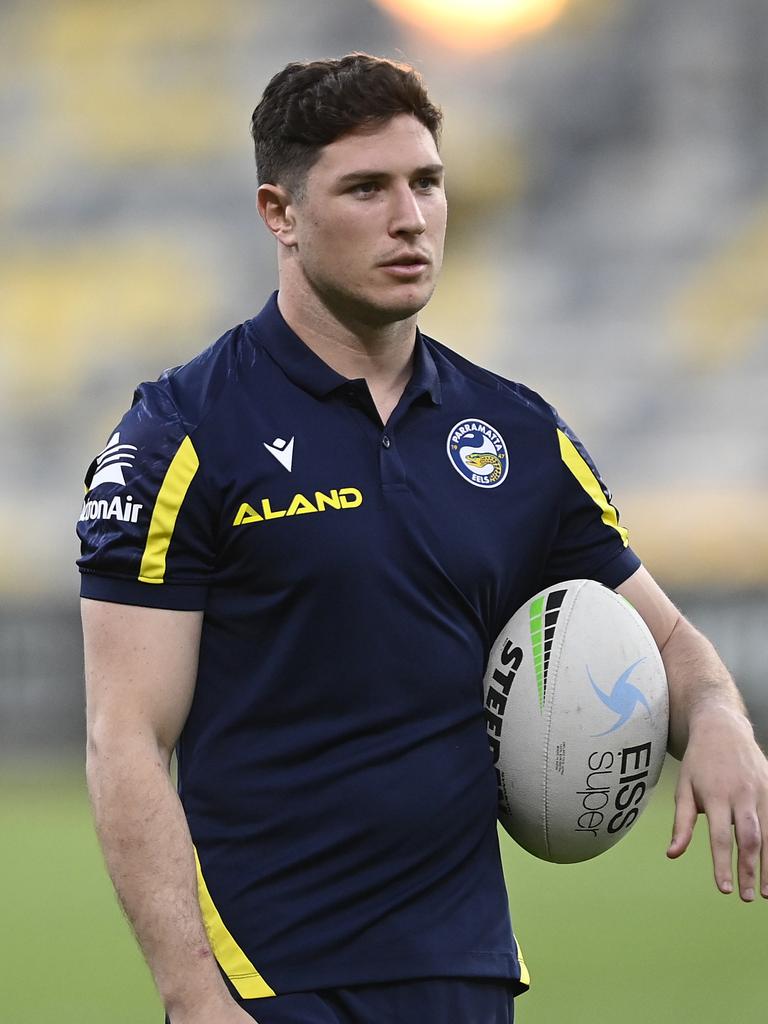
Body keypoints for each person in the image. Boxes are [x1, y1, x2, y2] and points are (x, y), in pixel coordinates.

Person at [77, 53, 768, 1024]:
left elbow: (670, 644)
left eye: (428, 182)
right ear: (280, 212)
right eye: (367, 188)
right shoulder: (179, 433)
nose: (411, 217)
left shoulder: (518, 435)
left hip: (466, 970)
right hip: (269, 979)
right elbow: (124, 737)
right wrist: (193, 994)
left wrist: (723, 720)